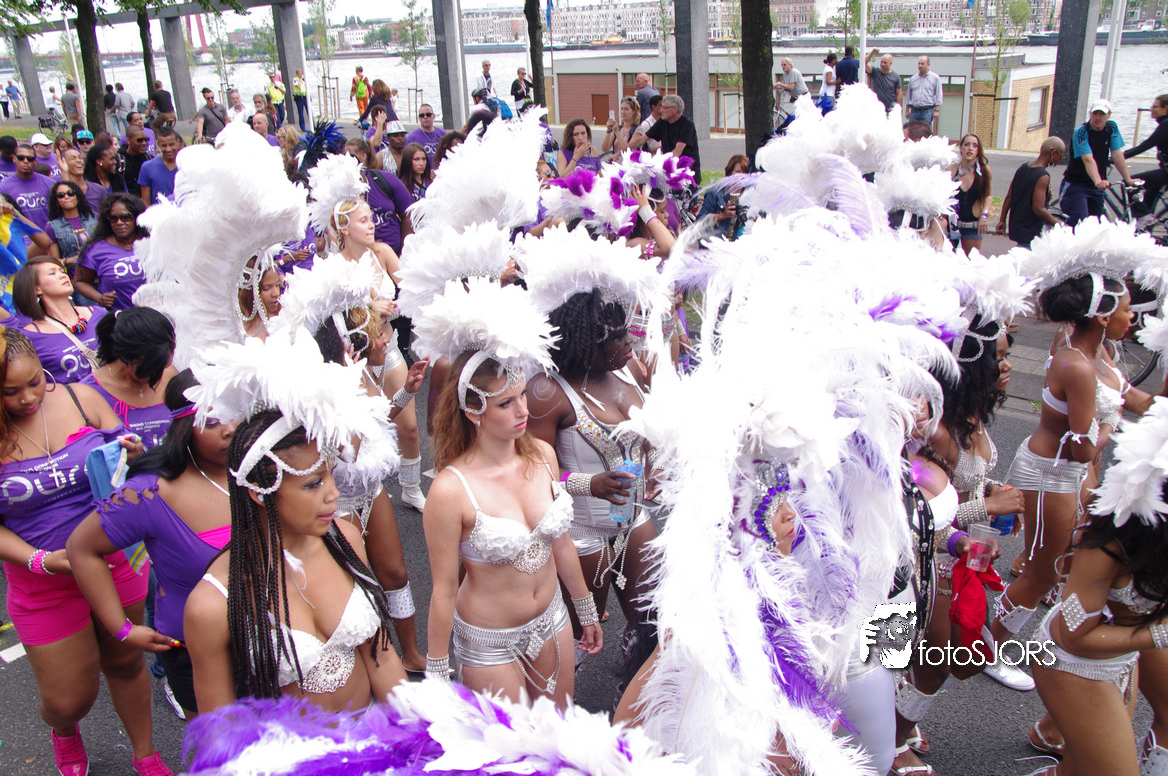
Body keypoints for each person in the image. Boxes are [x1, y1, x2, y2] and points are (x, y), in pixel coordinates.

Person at [418, 275, 601, 706]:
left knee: (558, 733)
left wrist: (585, 607)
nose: (523, 410)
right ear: (473, 411)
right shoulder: (450, 491)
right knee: (510, 746)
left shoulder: (543, 456)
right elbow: (443, 589)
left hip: (554, 621)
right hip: (489, 644)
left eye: (522, 396)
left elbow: (561, 544)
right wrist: (437, 670)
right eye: (506, 403)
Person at [0, 325, 170, 776]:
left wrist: (131, 452)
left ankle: (145, 754)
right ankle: (64, 730)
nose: (28, 397)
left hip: (115, 560)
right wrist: (39, 560)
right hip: (42, 581)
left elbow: (127, 458)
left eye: (35, 381)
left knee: (126, 661)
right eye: (10, 391)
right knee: (66, 700)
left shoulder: (82, 398)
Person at [68, 370, 235, 721]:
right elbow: (82, 548)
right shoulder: (149, 492)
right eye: (212, 421)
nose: (230, 429)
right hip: (193, 652)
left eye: (238, 415)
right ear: (182, 426)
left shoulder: (266, 473)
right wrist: (122, 629)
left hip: (279, 640)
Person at [1026, 396, 1168, 776]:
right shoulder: (1105, 544)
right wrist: (1160, 634)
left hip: (1121, 657)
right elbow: (1074, 636)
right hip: (1072, 663)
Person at [322, 192, 425, 511]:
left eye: (371, 219)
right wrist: (369, 309)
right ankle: (362, 495)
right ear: (344, 228)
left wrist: (394, 307)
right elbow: (330, 321)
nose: (372, 225)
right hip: (356, 361)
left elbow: (412, 290)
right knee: (366, 432)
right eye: (363, 220)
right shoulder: (332, 268)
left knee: (408, 426)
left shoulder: (382, 253)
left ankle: (411, 488)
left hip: (388, 348)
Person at [80, 308, 177, 450]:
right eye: (147, 369)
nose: (156, 375)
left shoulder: (170, 375)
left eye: (162, 366)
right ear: (124, 356)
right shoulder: (88, 393)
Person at [12, 256, 103, 381]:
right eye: (52, 273)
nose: (62, 275)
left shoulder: (99, 314)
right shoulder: (30, 337)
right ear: (36, 288)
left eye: (62, 271)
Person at [1061, 98, 1139, 226]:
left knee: (1096, 225)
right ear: (1090, 114)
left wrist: (1128, 179)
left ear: (1109, 115)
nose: (1098, 117)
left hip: (1096, 188)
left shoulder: (1112, 127)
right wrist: (1098, 181)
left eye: (1102, 114)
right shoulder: (1081, 132)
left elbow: (1117, 155)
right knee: (1080, 221)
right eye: (1095, 113)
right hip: (1076, 185)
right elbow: (1088, 159)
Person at [75, 193, 147, 311]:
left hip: (157, 313)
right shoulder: (95, 250)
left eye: (126, 217)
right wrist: (99, 298)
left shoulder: (152, 242)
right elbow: (80, 281)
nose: (119, 222)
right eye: (113, 218)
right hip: (118, 316)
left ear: (137, 217)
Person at [343, 138, 414, 255]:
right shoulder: (339, 191)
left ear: (363, 156)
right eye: (344, 156)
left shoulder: (386, 179)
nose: (347, 160)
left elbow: (408, 214)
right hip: (358, 257)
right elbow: (332, 232)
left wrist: (405, 250)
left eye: (351, 156)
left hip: (394, 254)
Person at [996, 137, 1066, 249]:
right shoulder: (1043, 176)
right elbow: (1038, 209)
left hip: (1018, 228)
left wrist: (1002, 220)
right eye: (1060, 156)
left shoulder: (1023, 167)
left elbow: (1009, 196)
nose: (1060, 160)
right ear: (1053, 153)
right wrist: (1058, 224)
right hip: (1031, 232)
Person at [1125, 93, 1167, 228]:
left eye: (1155, 106)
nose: (1151, 109)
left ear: (1166, 108)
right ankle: (1144, 229)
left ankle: (1145, 218)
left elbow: (1146, 145)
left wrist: (1118, 157)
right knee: (1148, 201)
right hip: (1165, 169)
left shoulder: (1166, 124)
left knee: (1130, 183)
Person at [948, 133, 992, 256]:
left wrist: (984, 215)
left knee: (970, 261)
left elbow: (988, 195)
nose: (970, 148)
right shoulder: (951, 169)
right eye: (967, 144)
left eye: (975, 145)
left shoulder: (984, 171)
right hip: (952, 226)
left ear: (978, 150)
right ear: (961, 148)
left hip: (973, 226)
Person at [645, 94, 702, 185]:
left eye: (664, 107)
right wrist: (626, 147)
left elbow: (677, 151)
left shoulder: (687, 125)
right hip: (668, 173)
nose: (661, 110)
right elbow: (642, 139)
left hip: (686, 175)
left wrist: (658, 164)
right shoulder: (662, 122)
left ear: (675, 109)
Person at [0, 142, 55, 232]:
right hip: (21, 237)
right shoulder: (4, 186)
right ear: (14, 159)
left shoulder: (49, 183)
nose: (25, 161)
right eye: (21, 158)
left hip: (49, 235)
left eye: (30, 158)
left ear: (35, 161)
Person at [43, 181, 98, 271]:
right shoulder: (52, 227)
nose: (66, 197)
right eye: (61, 195)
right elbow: (55, 262)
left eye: (70, 193)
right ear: (56, 201)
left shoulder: (94, 217)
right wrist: (70, 260)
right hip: (74, 276)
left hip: (100, 272)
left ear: (77, 197)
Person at [57, 147, 107, 214]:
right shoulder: (59, 193)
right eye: (73, 158)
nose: (78, 160)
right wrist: (64, 173)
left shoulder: (99, 190)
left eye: (80, 158)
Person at [137, 126, 179, 205]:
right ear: (158, 144)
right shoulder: (147, 168)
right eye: (164, 146)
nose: (168, 149)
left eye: (171, 145)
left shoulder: (187, 167)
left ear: (178, 142)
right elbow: (146, 203)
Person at [905, 55, 943, 130]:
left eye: (922, 64)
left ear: (928, 64)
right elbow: (908, 95)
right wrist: (907, 111)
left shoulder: (935, 78)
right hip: (914, 111)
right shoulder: (913, 79)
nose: (920, 66)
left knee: (925, 131)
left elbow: (938, 95)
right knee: (912, 131)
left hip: (927, 111)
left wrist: (937, 110)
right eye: (919, 64)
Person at [601, 97, 639, 162]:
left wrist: (617, 132)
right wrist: (609, 131)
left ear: (634, 111)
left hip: (630, 164)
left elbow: (627, 150)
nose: (623, 112)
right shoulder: (618, 128)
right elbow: (604, 148)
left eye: (626, 109)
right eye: (622, 109)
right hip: (616, 164)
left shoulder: (638, 129)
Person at [120, 126, 150, 201]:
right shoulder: (119, 160)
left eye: (146, 140)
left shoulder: (149, 159)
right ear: (128, 140)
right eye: (139, 140)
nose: (144, 143)